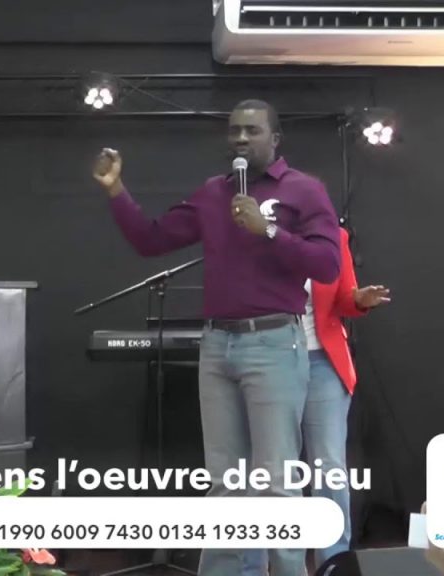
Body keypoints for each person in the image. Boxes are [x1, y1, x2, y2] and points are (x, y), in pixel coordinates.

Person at [94, 98, 341, 576]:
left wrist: (269, 231)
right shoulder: (213, 193)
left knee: (277, 483)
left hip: (273, 343)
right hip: (216, 346)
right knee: (226, 483)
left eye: (252, 130)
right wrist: (116, 191)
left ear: (275, 138)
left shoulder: (304, 190)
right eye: (234, 131)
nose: (241, 139)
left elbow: (328, 265)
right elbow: (151, 239)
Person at [303, 226, 390, 569]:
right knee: (273, 468)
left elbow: (343, 297)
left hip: (321, 360)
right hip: (271, 360)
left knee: (329, 467)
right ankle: (279, 562)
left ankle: (334, 563)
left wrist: (359, 299)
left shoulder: (332, 236)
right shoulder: (261, 232)